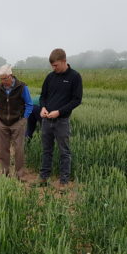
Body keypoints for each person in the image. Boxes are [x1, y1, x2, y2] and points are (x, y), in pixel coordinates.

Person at [36, 48, 83, 187]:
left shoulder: (75, 77)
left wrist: (59, 112)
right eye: (52, 65)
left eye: (55, 65)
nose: (53, 68)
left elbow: (76, 100)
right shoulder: (50, 77)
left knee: (64, 152)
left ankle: (64, 181)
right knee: (46, 150)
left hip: (62, 121)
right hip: (46, 120)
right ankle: (44, 177)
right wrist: (43, 108)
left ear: (64, 61)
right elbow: (42, 96)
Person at [0, 64, 33, 181]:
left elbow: (29, 104)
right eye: (1, 79)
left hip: (18, 122)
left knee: (19, 149)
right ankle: (5, 172)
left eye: (4, 78)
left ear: (10, 76)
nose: (3, 81)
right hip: (2, 122)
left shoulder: (22, 87)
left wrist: (24, 118)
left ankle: (19, 174)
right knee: (3, 149)